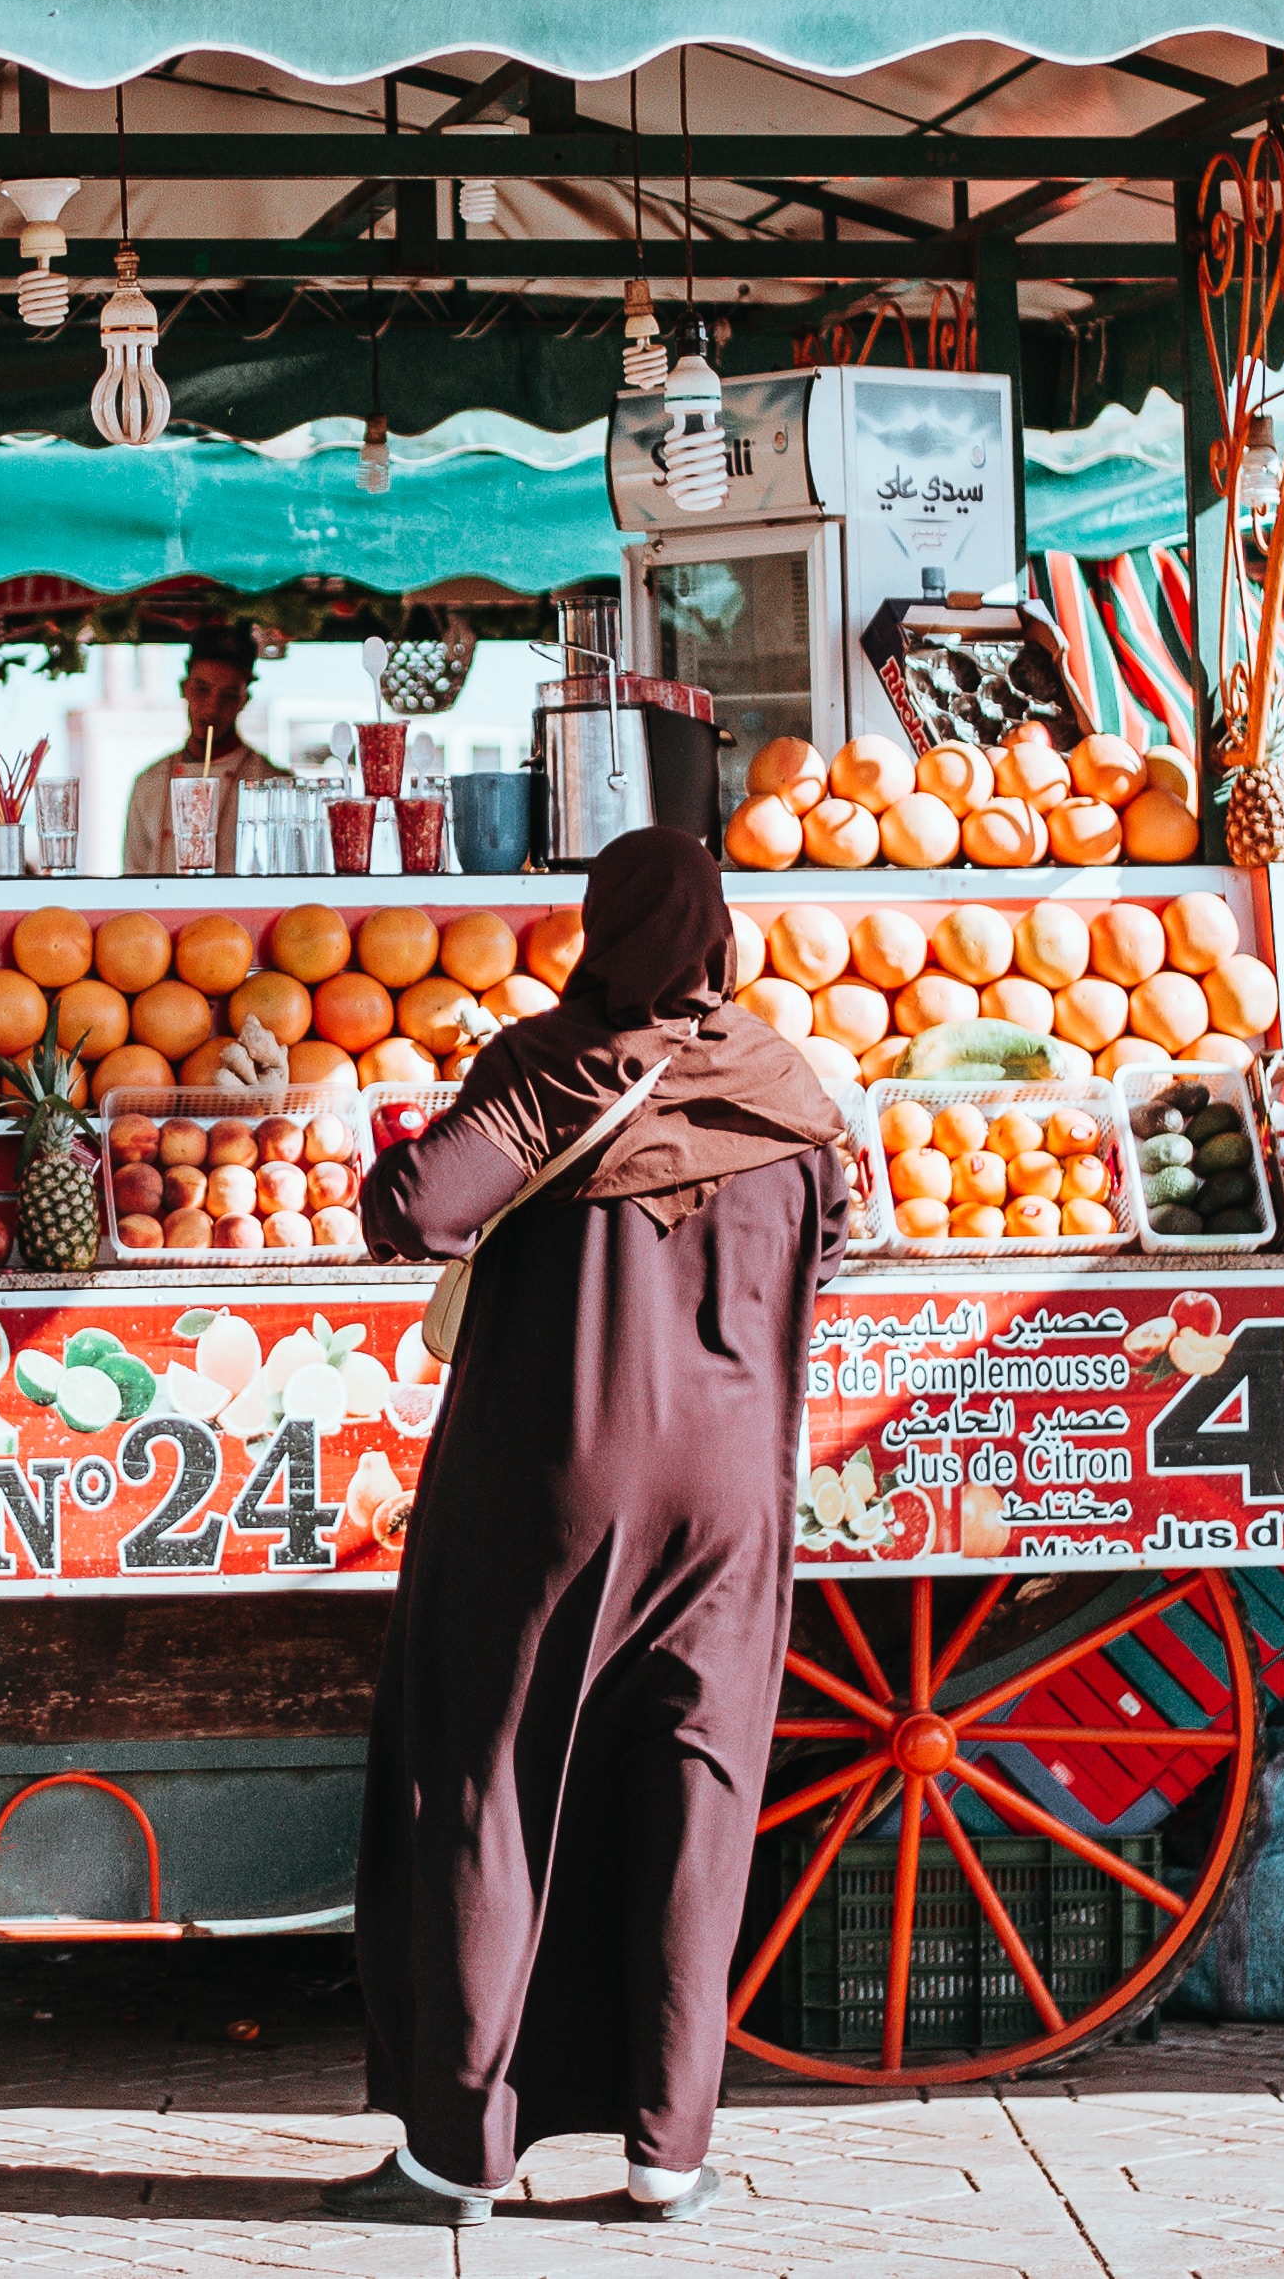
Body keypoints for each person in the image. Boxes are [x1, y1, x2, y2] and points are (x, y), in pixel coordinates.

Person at [322, 827, 853, 2230]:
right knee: (695, 1786)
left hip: (553, 1481)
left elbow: (419, 1210)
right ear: (722, 933)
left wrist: (384, 1148)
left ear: (597, 921)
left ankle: (459, 2149)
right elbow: (833, 1238)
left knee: (492, 1774)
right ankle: (667, 2151)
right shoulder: (791, 1083)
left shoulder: (560, 1057)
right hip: (734, 1489)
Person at [111, 626, 284, 876]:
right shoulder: (149, 781)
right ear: (184, 688)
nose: (212, 707)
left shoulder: (271, 783)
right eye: (202, 689)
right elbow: (133, 873)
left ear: (243, 700)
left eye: (227, 695)